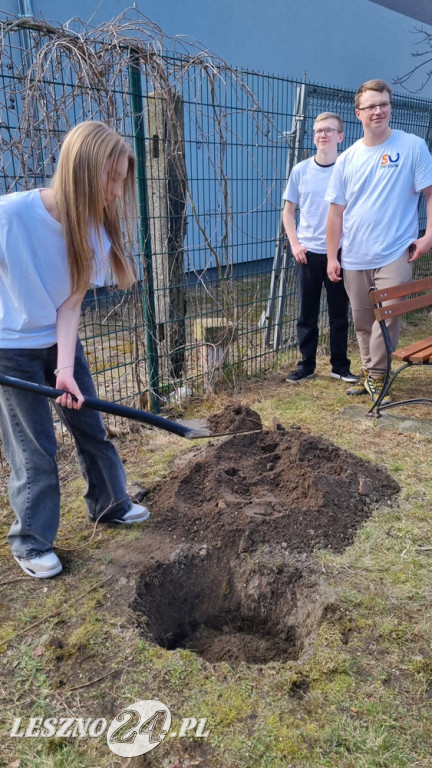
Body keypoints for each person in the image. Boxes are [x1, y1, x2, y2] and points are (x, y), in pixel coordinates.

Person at [0, 121, 150, 580]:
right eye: (113, 177)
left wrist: (64, 367)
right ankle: (31, 541)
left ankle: (109, 504)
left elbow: (70, 305)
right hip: (10, 349)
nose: (117, 190)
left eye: (122, 179)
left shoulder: (94, 234)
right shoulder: (11, 216)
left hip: (58, 342)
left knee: (91, 425)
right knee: (35, 449)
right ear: (83, 169)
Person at [326, 79, 432, 404]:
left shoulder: (412, 146)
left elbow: (430, 194)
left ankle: (377, 379)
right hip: (355, 255)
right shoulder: (347, 160)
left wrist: (429, 236)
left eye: (384, 103)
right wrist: (333, 257)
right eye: (371, 106)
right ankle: (371, 371)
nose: (379, 110)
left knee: (387, 316)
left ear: (390, 107)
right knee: (362, 321)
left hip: (395, 251)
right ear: (358, 113)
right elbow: (335, 214)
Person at [282, 112, 357, 384]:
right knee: (306, 314)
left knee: (339, 313)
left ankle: (340, 366)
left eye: (329, 130)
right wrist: (295, 244)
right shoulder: (300, 170)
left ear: (341, 135)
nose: (323, 134)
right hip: (308, 255)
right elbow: (288, 212)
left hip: (338, 254)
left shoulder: (348, 169)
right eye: (318, 130)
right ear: (313, 136)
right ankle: (306, 365)